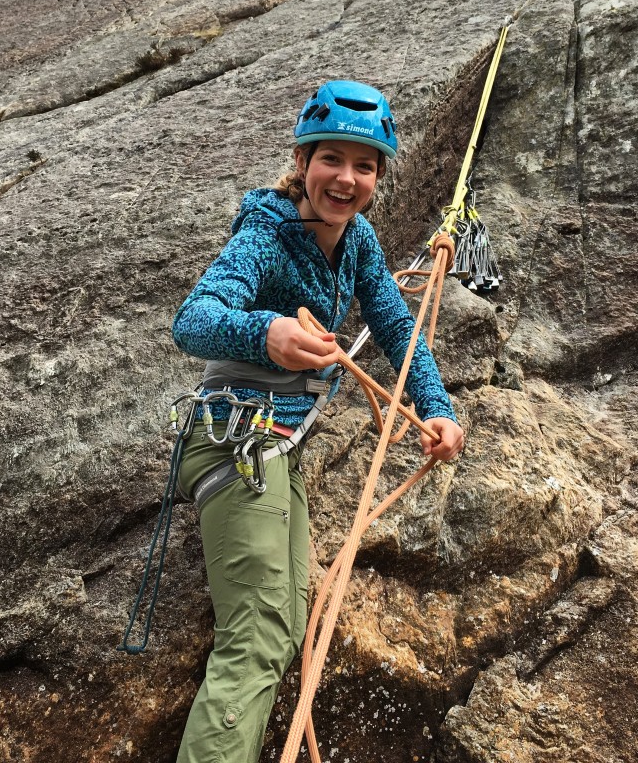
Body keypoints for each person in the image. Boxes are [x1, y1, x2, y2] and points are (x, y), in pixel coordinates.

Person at [171, 79, 464, 763]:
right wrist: (265, 332)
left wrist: (436, 408)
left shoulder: (357, 241)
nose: (346, 177)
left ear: (377, 178)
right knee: (262, 630)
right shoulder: (266, 232)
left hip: (278, 447)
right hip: (237, 441)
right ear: (302, 162)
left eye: (364, 166)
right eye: (332, 158)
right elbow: (193, 320)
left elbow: (396, 325)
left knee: (289, 621)